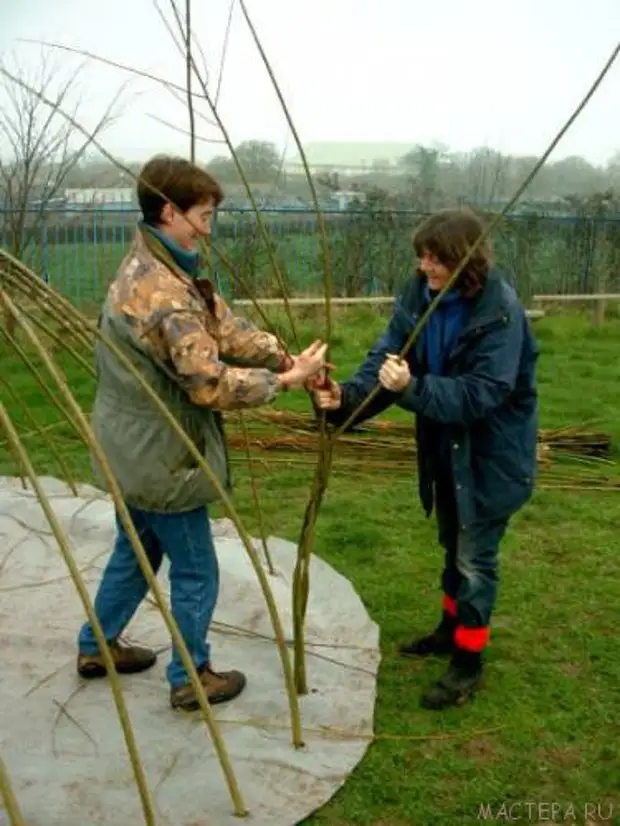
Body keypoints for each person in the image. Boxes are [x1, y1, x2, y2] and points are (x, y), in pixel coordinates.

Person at [76, 154, 327, 711]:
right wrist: (284, 381)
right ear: (170, 211)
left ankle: (96, 646)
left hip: (128, 447)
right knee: (194, 567)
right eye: (204, 214)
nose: (210, 226)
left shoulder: (162, 266)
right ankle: (191, 676)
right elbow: (208, 382)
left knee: (136, 549)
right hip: (164, 456)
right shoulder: (161, 293)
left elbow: (222, 327)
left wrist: (281, 353)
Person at [314, 207, 539, 710]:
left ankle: (468, 661)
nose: (425, 268)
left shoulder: (499, 313)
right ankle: (447, 629)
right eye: (421, 257)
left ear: (466, 260)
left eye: (436, 259)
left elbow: (483, 393)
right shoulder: (420, 297)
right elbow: (387, 357)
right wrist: (344, 401)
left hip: (489, 455)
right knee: (451, 541)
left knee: (475, 558)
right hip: (444, 447)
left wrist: (414, 389)